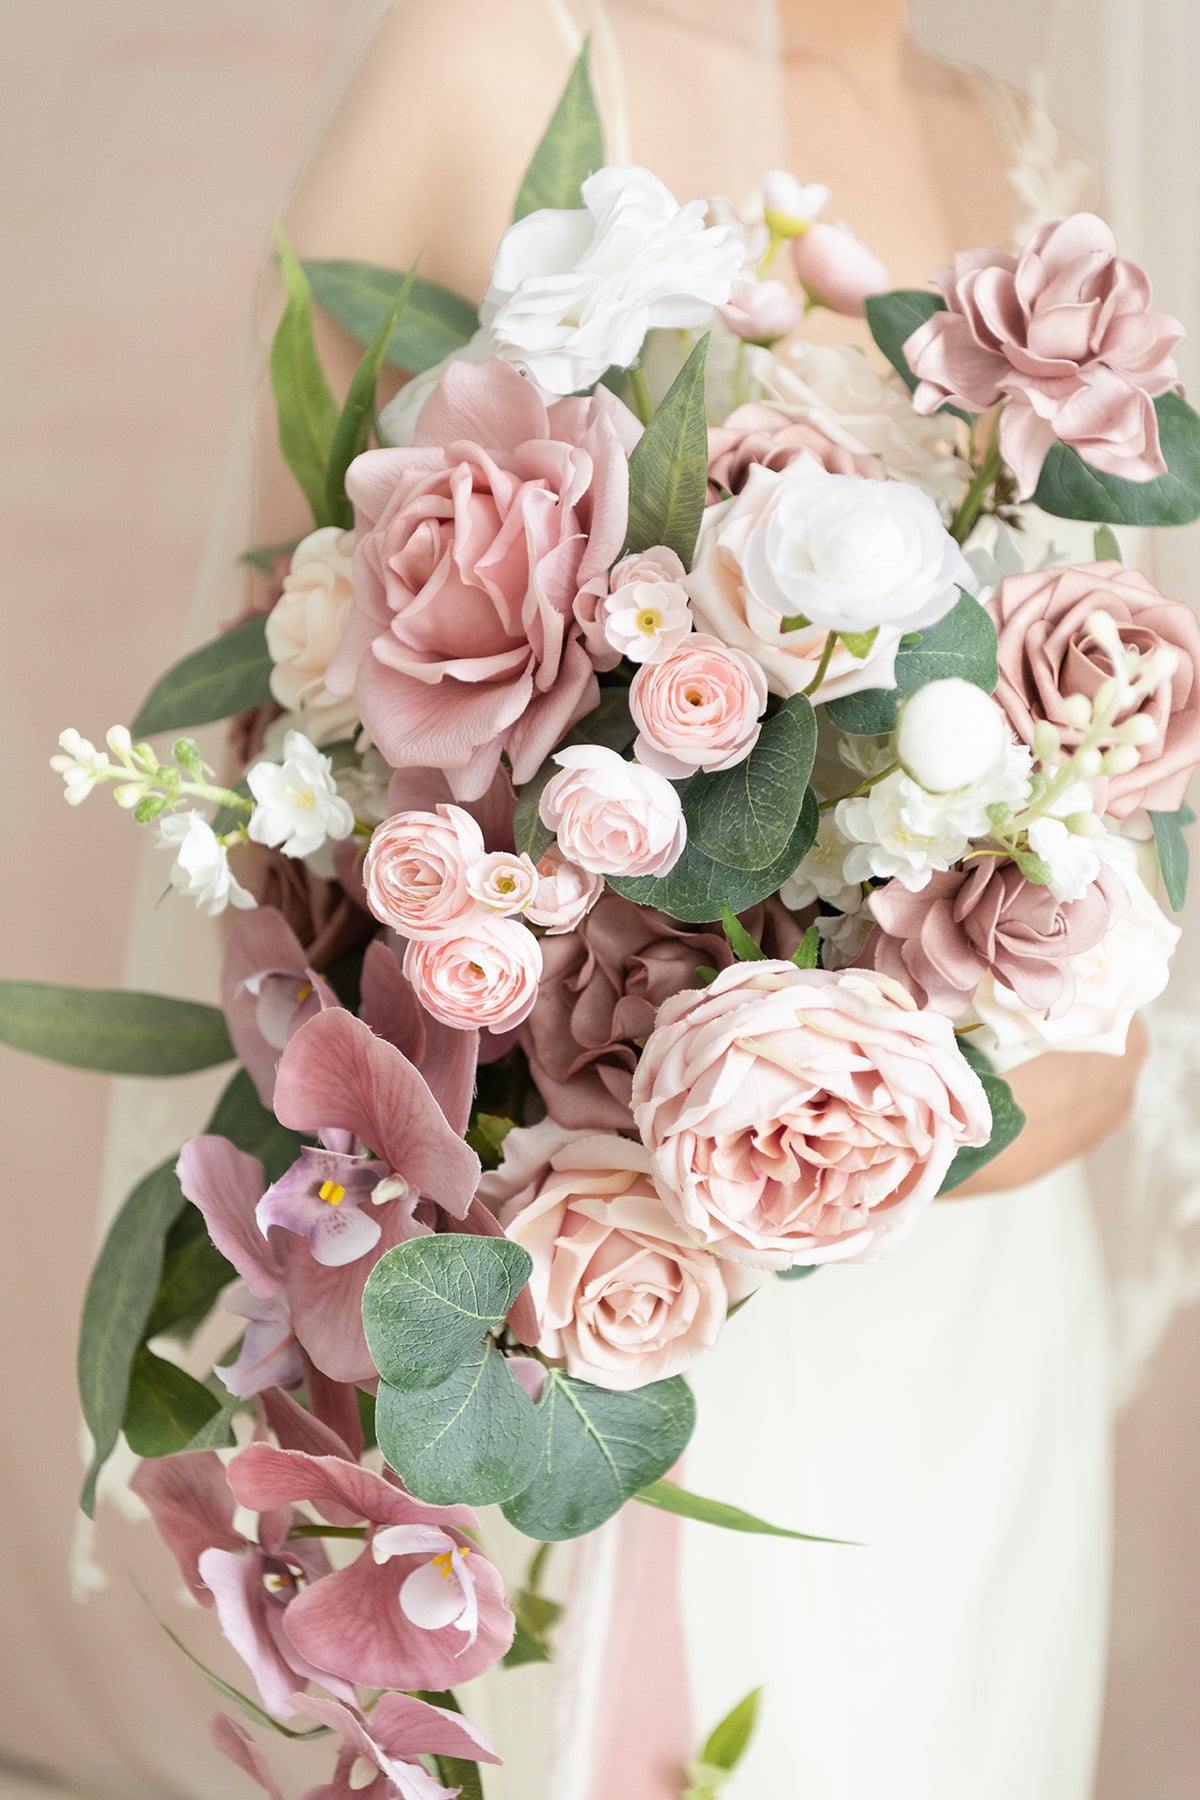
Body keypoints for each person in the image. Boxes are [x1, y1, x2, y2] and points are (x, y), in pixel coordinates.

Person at [252, 4, 1148, 1796]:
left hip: (981, 1241)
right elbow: (287, 711)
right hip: (622, 1251)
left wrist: (1100, 1015)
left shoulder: (1030, 153)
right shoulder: (487, 56)